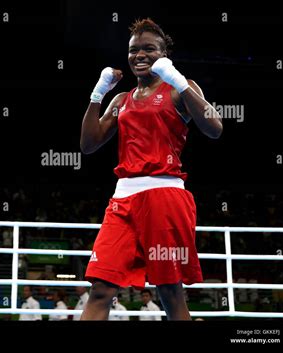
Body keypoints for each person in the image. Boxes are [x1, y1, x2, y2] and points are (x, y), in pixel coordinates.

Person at [80, 18, 222, 321]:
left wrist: (180, 81)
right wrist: (98, 93)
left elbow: (214, 127)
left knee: (170, 292)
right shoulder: (121, 99)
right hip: (122, 201)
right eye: (133, 50)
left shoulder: (179, 89)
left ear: (164, 53)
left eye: (149, 49)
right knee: (101, 288)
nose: (139, 55)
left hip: (165, 196)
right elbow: (89, 145)